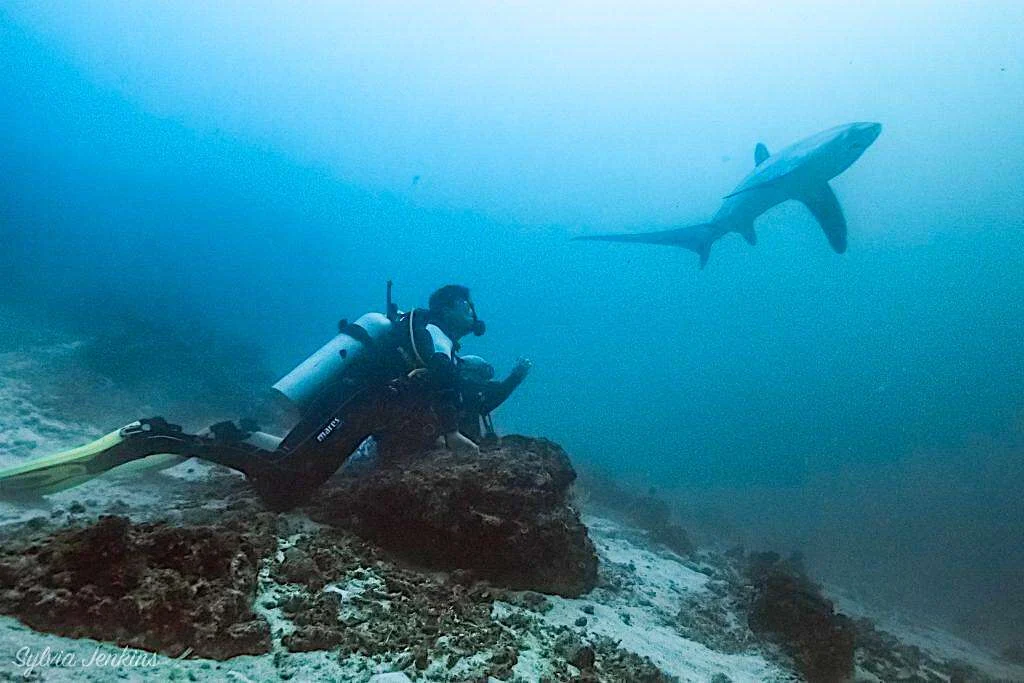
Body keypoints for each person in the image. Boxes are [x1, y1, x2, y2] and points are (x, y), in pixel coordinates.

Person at [0, 284, 492, 509]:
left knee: (285, 465)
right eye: (468, 305)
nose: (474, 313)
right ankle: (161, 437)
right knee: (284, 484)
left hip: (350, 408)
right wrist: (453, 429)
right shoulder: (428, 330)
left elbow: (435, 387)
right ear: (449, 306)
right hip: (353, 408)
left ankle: (227, 435)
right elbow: (438, 379)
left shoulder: (431, 337)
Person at [457, 355, 532, 444]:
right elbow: (498, 394)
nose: (486, 380)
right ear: (465, 375)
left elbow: (499, 393)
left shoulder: (470, 398)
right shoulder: (455, 399)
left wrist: (515, 377)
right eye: (482, 374)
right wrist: (515, 377)